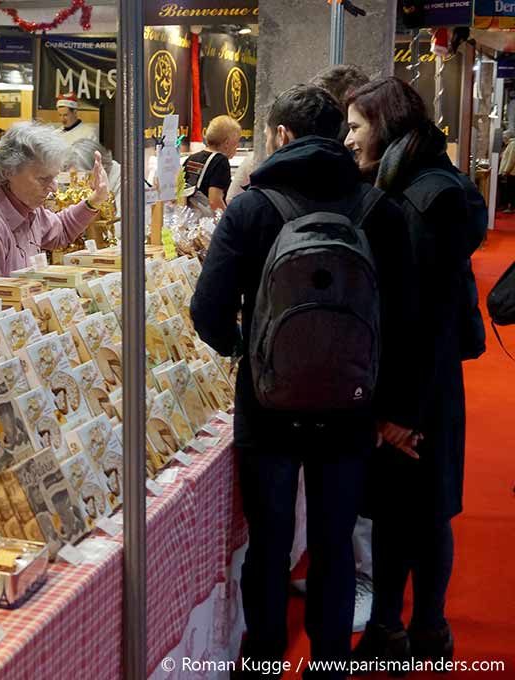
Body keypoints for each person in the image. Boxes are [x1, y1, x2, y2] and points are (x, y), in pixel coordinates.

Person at [190, 85, 416, 678]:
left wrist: (248, 353)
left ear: (282, 137)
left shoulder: (251, 206)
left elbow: (207, 311)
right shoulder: (378, 209)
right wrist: (386, 401)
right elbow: (405, 321)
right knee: (333, 545)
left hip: (267, 407)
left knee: (268, 545)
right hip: (351, 407)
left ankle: (263, 663)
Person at [344, 76, 486, 667]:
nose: (348, 139)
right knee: (410, 511)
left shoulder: (422, 197)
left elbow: (422, 315)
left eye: (355, 126)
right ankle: (403, 629)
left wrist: (399, 412)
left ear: (386, 123)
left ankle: (415, 629)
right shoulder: (418, 183)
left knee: (418, 513)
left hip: (416, 384)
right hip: (420, 380)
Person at [310, 63, 378, 635]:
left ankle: (364, 581)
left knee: (358, 497)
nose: (349, 136)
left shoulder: (374, 192)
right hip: (347, 362)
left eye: (355, 123)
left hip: (354, 366)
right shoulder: (369, 188)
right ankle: (346, 576)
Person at [0, 122, 108, 286]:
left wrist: (96, 199)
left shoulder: (26, 206)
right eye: (43, 179)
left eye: (55, 177)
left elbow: (60, 231)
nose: (54, 188)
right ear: (9, 172)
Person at [182, 115, 242, 215]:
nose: (237, 147)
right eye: (236, 143)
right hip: (207, 223)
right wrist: (228, 219)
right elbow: (214, 201)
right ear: (227, 143)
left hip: (188, 218)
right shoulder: (220, 161)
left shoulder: (191, 158)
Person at [67, 139, 122, 223]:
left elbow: (119, 231)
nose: (77, 188)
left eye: (83, 179)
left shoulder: (129, 184)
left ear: (99, 169)